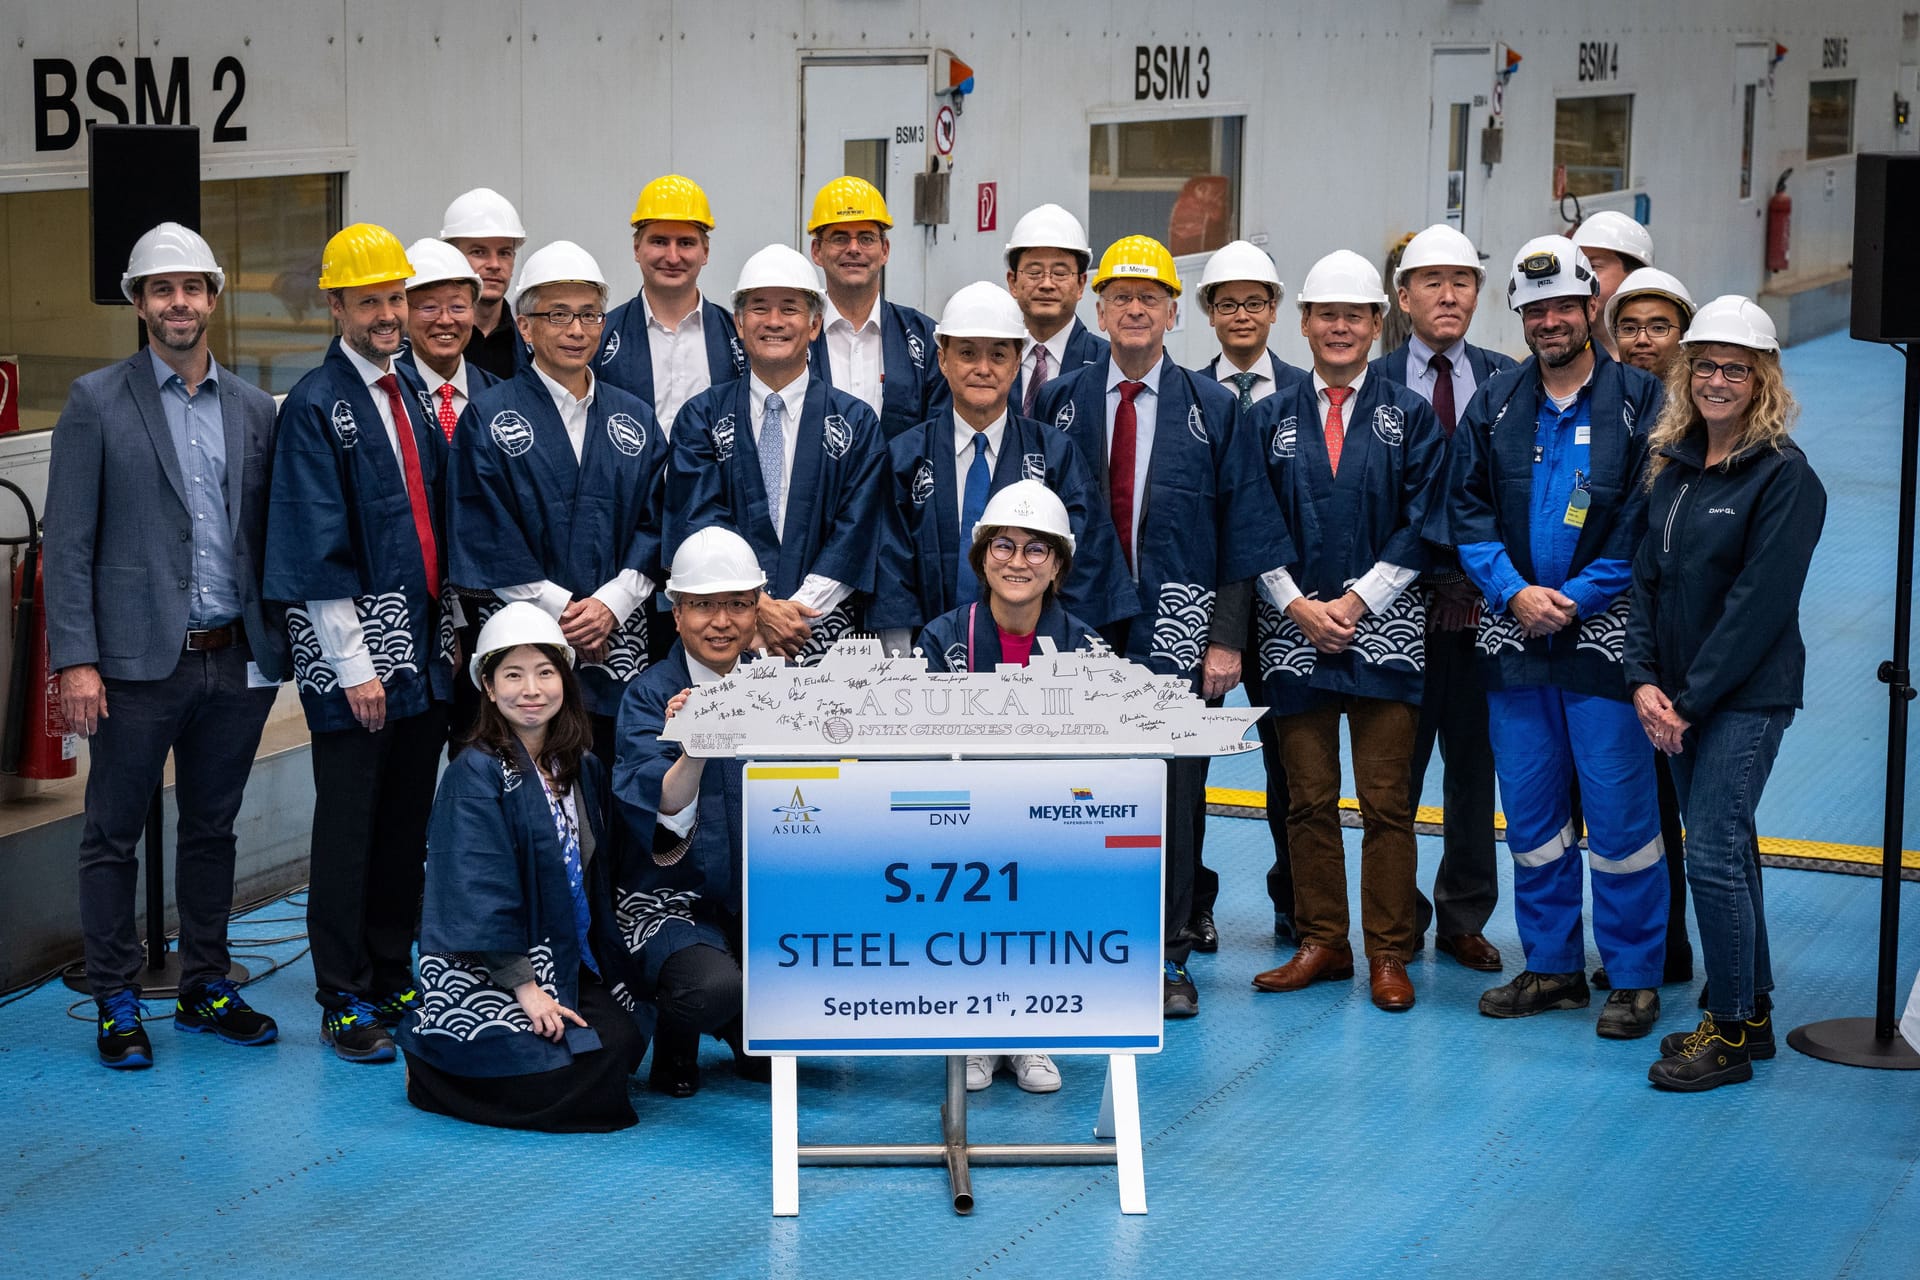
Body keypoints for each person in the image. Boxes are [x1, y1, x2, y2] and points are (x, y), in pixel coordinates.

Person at [44, 222, 286, 1068]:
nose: (178, 302)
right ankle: (115, 997)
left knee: (213, 827)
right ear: (137, 301)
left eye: (192, 288)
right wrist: (75, 659)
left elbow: (264, 535)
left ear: (213, 297)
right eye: (161, 289)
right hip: (135, 664)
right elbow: (66, 544)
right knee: (112, 834)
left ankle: (205, 984)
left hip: (235, 657)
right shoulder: (94, 403)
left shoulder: (256, 409)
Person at [1033, 234, 1292, 1018]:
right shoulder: (1061, 399)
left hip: (1179, 625)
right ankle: (1075, 940)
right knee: (1074, 787)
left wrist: (1226, 636)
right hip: (1077, 620)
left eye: (1151, 297)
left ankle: (1167, 955)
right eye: (1121, 296)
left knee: (1176, 788)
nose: (1136, 308)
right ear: (1098, 307)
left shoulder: (1215, 408)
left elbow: (1244, 528)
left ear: (1175, 312)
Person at [1443, 235, 1669, 1040]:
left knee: (1619, 816)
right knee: (1532, 815)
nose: (1548, 322)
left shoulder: (1642, 401)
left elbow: (1647, 521)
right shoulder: (1497, 402)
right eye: (1534, 311)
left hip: (1602, 644)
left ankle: (1635, 975)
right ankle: (1550, 966)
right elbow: (1465, 511)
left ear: (1590, 309)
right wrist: (1513, 592)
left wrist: (1574, 597)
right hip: (1513, 641)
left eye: (1562, 308)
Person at [265, 223, 456, 1063]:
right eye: (370, 299)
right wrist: (353, 666)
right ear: (337, 304)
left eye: (395, 298)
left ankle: (391, 967)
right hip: (357, 657)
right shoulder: (316, 404)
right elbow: (313, 542)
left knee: (405, 817)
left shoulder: (408, 389)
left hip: (418, 643)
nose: (387, 313)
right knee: (349, 824)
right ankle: (343, 993)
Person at [1626, 297, 1826, 1091]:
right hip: (1674, 694)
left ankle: (1731, 1034)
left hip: (1744, 698)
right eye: (1703, 366)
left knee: (1710, 851)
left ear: (1761, 379)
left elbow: (1758, 607)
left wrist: (1689, 700)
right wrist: (1643, 680)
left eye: (1733, 369)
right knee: (1730, 849)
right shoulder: (1673, 463)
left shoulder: (1784, 477)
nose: (1715, 380)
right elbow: (1646, 581)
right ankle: (1755, 1012)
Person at [1245, 251, 1446, 1013]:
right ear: (1303, 324)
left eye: (1353, 315)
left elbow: (1424, 520)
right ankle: (1323, 940)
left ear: (1376, 323)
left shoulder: (1410, 416)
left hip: (1387, 633)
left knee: (1388, 801)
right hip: (1291, 632)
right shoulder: (1268, 418)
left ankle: (1389, 951)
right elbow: (1254, 521)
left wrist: (1359, 603)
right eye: (1324, 314)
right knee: (1307, 797)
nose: (1338, 327)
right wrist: (1297, 605)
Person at [399, 603, 648, 1131]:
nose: (530, 690)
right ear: (488, 688)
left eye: (544, 672)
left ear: (565, 680)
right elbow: (476, 889)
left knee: (625, 1038)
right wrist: (525, 987)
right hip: (495, 961)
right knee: (592, 1078)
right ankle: (430, 1073)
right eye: (512, 675)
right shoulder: (475, 774)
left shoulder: (581, 767)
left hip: (565, 949)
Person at [450, 241, 669, 766]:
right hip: (529, 635)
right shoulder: (488, 417)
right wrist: (565, 613)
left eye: (590, 315)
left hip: (622, 634)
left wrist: (612, 604)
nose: (576, 330)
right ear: (525, 327)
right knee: (534, 780)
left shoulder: (634, 417)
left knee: (620, 780)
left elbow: (660, 518)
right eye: (558, 315)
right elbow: (485, 530)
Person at [916, 481, 1099, 1093]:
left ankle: (1027, 1032)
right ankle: (972, 1029)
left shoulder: (1084, 645)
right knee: (969, 918)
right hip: (961, 816)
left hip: (1047, 821)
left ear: (1058, 567)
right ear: (981, 557)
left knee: (1035, 919)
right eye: (1003, 547)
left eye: (1035, 550)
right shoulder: (942, 638)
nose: (1017, 562)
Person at [1368, 224, 1517, 973]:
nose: (1449, 294)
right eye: (1432, 281)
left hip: (1485, 616)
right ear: (1404, 297)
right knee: (1392, 779)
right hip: (1397, 616)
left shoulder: (1507, 378)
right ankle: (1397, 923)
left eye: (1462, 280)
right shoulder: (1373, 382)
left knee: (1473, 770)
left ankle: (1463, 915)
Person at [871, 282, 1130, 655]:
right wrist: (903, 659)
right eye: (966, 353)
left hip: (1036, 658)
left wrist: (1057, 657)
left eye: (997, 354)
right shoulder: (905, 457)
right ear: (942, 359)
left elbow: (1084, 564)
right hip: (929, 661)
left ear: (1017, 361)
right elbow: (889, 564)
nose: (982, 368)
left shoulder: (1055, 455)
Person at [611, 526, 772, 1097]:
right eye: (703, 605)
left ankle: (747, 1029)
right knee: (711, 988)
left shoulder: (781, 692)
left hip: (760, 903)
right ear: (675, 614)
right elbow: (658, 812)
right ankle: (677, 1042)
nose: (721, 621)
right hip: (670, 901)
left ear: (758, 609)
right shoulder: (651, 697)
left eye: (736, 604)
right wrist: (694, 747)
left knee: (788, 1037)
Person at [669, 244, 886, 663]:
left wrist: (793, 614)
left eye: (789, 309)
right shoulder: (701, 417)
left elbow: (857, 530)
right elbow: (697, 520)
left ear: (815, 324)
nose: (773, 322)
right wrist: (756, 608)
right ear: (738, 322)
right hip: (728, 632)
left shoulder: (856, 422)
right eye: (759, 309)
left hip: (821, 629)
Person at [1191, 238, 1309, 952]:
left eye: (1254, 302)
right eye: (1227, 302)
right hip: (1206, 614)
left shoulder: (1304, 391)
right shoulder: (1187, 396)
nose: (1241, 314)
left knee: (1290, 770)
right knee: (1188, 771)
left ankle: (1296, 901)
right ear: (1207, 312)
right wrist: (1220, 629)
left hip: (1293, 614)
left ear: (1274, 311)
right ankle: (1192, 900)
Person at [1601, 264, 1700, 987]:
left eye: (1658, 326)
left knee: (1679, 798)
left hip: (1680, 636)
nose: (1642, 340)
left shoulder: (1707, 413)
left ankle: (1670, 947)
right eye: (1629, 326)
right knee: (1623, 801)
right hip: (1614, 631)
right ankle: (1638, 945)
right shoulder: (1607, 407)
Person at [399, 237, 499, 759]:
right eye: (428, 306)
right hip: (415, 624)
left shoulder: (499, 395)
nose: (445, 320)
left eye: (458, 306)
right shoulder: (384, 397)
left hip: (492, 621)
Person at [596, 175, 747, 432]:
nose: (673, 256)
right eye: (659, 241)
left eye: (686, 243)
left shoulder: (737, 335)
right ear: (636, 249)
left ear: (705, 253)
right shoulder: (601, 335)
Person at [805, 176, 947, 439]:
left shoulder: (924, 338)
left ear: (884, 250)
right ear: (816, 251)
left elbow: (939, 436)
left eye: (866, 238)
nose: (854, 249)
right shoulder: (796, 336)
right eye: (839, 238)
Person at [1002, 203, 1108, 417]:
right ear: (1013, 282)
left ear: (1080, 284)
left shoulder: (1107, 362)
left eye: (1060, 273)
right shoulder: (990, 357)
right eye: (1034, 272)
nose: (1047, 284)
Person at [440, 187, 528, 380]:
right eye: (479, 252)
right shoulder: (425, 340)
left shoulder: (530, 343)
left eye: (504, 253)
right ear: (452, 256)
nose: (495, 265)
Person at [1570, 212, 1654, 360]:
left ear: (1635, 275)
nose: (1579, 278)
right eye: (1576, 267)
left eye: (1593, 266)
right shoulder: (1558, 358)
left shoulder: (1657, 359)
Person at [1606, 268, 1695, 379]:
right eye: (1629, 329)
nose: (1642, 340)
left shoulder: (1703, 394)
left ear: (1683, 336)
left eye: (1658, 328)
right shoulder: (1596, 393)